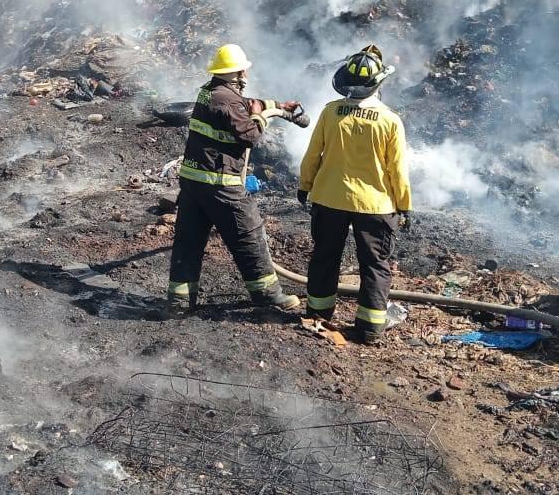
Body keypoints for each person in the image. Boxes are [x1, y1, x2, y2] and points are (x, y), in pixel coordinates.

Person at [167, 44, 303, 316]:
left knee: (189, 240)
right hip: (220, 183)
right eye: (244, 71)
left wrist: (278, 106)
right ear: (237, 73)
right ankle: (267, 295)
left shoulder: (210, 92)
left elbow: (242, 105)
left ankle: (179, 301)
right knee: (248, 234)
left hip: (193, 182)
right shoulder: (227, 100)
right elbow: (250, 135)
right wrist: (260, 116)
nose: (247, 75)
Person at [298, 45, 412, 344]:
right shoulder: (390, 120)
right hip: (374, 205)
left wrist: (305, 185)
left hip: (329, 198)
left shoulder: (330, 111)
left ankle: (317, 314)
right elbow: (397, 169)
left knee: (325, 256)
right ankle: (370, 328)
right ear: (379, 83)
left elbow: (312, 155)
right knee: (375, 265)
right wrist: (404, 205)